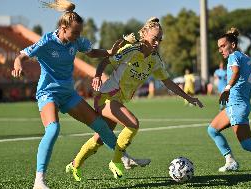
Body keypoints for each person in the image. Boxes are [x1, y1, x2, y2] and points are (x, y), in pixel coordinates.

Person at [66, 17, 203, 180]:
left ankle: (74, 165)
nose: (157, 43)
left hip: (118, 100)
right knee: (133, 124)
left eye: (160, 40)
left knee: (101, 138)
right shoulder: (131, 50)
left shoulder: (155, 60)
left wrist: (188, 97)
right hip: (106, 97)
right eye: (154, 39)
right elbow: (106, 60)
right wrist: (97, 76)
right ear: (144, 34)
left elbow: (168, 83)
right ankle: (117, 162)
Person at [12, 1, 125, 188]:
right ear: (63, 28)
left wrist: (109, 52)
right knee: (53, 129)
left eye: (80, 32)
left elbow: (91, 52)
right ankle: (39, 181)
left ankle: (123, 157)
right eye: (75, 32)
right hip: (48, 93)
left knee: (100, 124)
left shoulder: (77, 41)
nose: (78, 36)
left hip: (68, 94)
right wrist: (18, 64)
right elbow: (22, 55)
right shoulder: (47, 41)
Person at [207, 28, 251, 173]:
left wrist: (227, 88)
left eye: (223, 46)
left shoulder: (234, 56)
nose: (220, 50)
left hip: (236, 105)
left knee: (246, 143)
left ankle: (231, 161)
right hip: (241, 105)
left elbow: (236, 72)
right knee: (213, 130)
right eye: (219, 47)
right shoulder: (248, 59)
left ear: (233, 44)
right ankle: (230, 161)